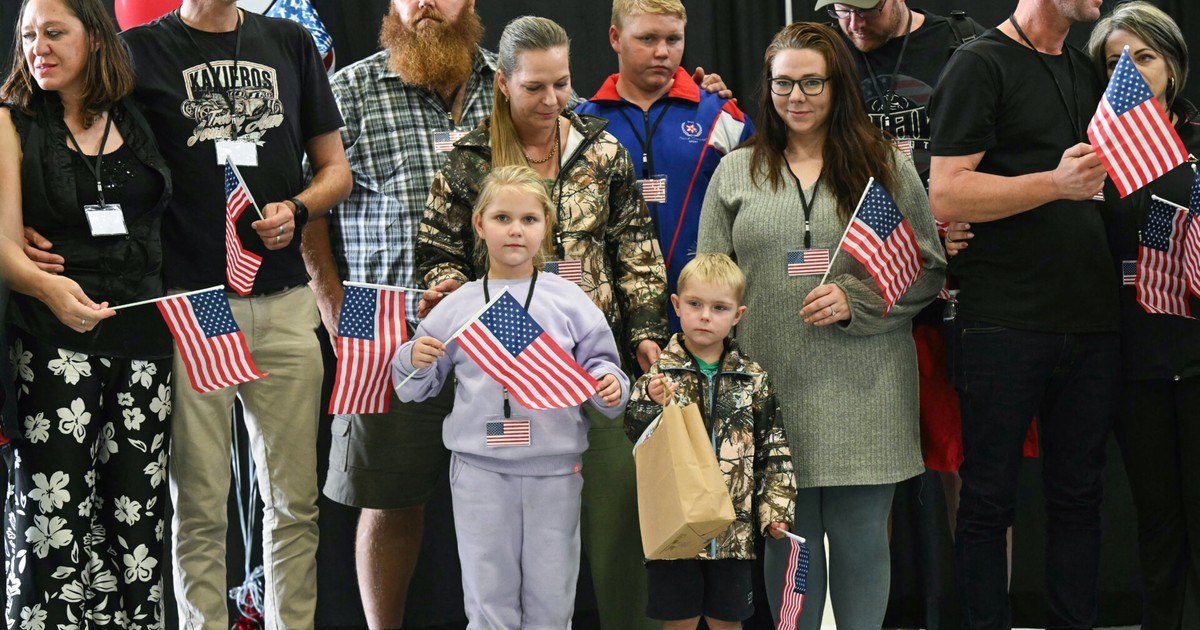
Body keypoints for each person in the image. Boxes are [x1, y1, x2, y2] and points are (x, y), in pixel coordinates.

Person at [417, 15, 669, 627]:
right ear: (503, 82)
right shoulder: (468, 157)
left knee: (615, 539)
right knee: (499, 563)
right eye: (535, 87)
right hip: (504, 372)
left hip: (591, 365)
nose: (552, 99)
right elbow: (435, 250)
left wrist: (644, 337)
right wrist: (444, 288)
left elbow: (637, 250)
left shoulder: (602, 148)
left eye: (562, 84)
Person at [108, 1, 350, 627]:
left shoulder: (291, 42)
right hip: (195, 309)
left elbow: (336, 173)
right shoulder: (139, 50)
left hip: (286, 302)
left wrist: (297, 209)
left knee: (294, 504)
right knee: (199, 506)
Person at [698, 22, 945, 629]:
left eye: (812, 82)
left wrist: (856, 299)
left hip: (868, 385)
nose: (797, 96)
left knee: (863, 541)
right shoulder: (736, 170)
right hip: (771, 392)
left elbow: (927, 267)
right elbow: (706, 284)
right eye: (784, 83)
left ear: (838, 85)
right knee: (787, 546)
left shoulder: (883, 162)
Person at [928, 0, 1118, 625]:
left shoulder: (1086, 69)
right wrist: (1054, 184)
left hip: (1090, 321)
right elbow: (948, 191)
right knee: (987, 503)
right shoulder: (979, 63)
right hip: (1002, 323)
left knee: (1080, 501)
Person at [395, 164, 628, 628]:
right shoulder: (458, 304)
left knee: (552, 600)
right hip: (480, 472)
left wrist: (610, 385)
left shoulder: (569, 300)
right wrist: (412, 357)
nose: (515, 230)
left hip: (555, 471)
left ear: (546, 226)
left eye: (528, 219)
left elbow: (605, 370)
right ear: (479, 225)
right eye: (502, 218)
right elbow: (415, 388)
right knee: (487, 599)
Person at [0, 0, 172, 625]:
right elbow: (1, 239)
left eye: (53, 32)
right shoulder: (11, 120)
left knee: (136, 516)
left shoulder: (132, 114)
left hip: (145, 340)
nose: (37, 46)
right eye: (27, 35)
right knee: (56, 515)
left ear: (95, 38)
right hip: (51, 342)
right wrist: (45, 289)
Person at [1086, 4, 1200, 626]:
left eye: (1143, 57)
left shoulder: (1198, 144)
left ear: (1173, 66)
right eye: (1113, 62)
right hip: (1134, 362)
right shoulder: (1094, 153)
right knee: (1155, 517)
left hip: (1197, 355)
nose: (1128, 70)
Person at [624, 252, 797, 629]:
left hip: (733, 532)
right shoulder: (658, 376)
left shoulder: (753, 379)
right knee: (679, 621)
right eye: (695, 304)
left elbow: (775, 449)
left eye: (719, 308)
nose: (705, 316)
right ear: (676, 305)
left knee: (727, 621)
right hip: (673, 529)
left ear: (738, 315)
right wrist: (649, 404)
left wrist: (776, 509)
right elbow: (635, 433)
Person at [575, 0, 753, 332]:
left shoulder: (719, 115)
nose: (662, 52)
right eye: (647, 39)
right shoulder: (582, 123)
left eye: (673, 40)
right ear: (615, 38)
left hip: (704, 317)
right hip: (610, 319)